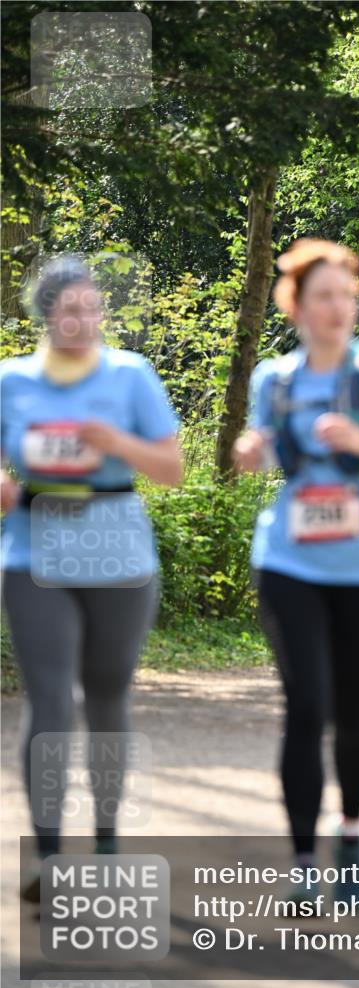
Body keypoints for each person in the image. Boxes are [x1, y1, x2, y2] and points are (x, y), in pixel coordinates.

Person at [232, 238, 359, 907]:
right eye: (323, 295)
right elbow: (268, 454)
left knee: (351, 710)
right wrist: (251, 450)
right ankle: (302, 862)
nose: (338, 307)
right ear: (295, 305)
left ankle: (349, 836)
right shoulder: (274, 380)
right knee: (305, 707)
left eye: (346, 295)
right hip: (288, 561)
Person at [0, 255, 183, 901]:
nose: (81, 318)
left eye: (90, 306)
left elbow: (171, 469)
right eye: (67, 308)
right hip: (34, 550)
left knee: (107, 695)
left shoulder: (131, 375)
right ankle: (49, 855)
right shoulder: (11, 380)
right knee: (50, 699)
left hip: (118, 552)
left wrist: (116, 442)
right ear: (45, 313)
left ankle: (105, 840)